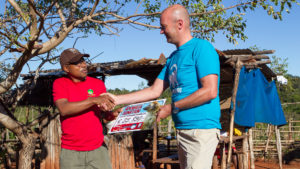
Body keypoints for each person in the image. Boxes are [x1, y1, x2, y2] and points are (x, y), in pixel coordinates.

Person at [107, 4, 221, 169]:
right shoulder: (173, 58)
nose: (161, 31)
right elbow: (154, 90)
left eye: (163, 27)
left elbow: (210, 91)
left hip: (201, 130)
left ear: (180, 24)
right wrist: (117, 99)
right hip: (182, 130)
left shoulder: (202, 48)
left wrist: (172, 107)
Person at [52, 48, 118, 169]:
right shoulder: (60, 83)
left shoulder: (97, 84)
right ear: (66, 68)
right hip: (71, 152)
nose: (83, 65)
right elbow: (64, 108)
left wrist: (112, 114)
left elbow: (103, 114)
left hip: (98, 149)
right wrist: (92, 100)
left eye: (83, 61)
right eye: (77, 63)